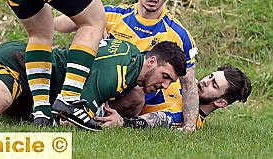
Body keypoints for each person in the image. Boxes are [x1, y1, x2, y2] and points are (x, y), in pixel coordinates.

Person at [0, 39, 186, 129]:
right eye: (165, 78)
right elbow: (71, 118)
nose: (163, 86)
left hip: (36, 92)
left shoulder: (129, 58)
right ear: (151, 62)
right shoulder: (118, 72)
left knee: (136, 100)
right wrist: (102, 122)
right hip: (22, 68)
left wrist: (122, 119)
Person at [54, 0, 200, 131]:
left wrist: (190, 127)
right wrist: (91, 0)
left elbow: (189, 84)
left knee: (136, 95)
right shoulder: (114, 15)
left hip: (137, 102)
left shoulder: (179, 34)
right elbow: (58, 25)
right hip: (94, 85)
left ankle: (107, 118)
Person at [96, 64, 251, 129]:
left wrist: (122, 122)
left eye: (214, 85)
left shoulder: (190, 118)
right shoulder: (187, 83)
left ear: (221, 102)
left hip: (109, 105)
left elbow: (156, 120)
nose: (205, 81)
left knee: (137, 95)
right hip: (108, 83)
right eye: (210, 76)